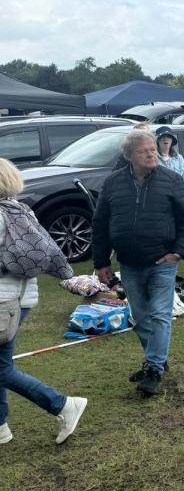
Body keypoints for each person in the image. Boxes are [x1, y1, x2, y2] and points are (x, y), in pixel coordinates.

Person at [93, 130, 184, 396]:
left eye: (152, 149)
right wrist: (101, 261)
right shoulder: (113, 183)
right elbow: (100, 223)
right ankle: (156, 357)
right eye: (143, 151)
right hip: (129, 262)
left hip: (163, 260)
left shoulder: (171, 179)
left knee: (160, 314)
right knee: (139, 318)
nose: (151, 154)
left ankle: (154, 370)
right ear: (129, 157)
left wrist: (178, 252)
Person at [0, 159, 87, 445]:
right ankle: (0, 426)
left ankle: (62, 404)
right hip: (19, 299)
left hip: (5, 300)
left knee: (1, 368)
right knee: (2, 363)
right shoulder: (20, 210)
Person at [155, 126, 184, 192]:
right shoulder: (152, 157)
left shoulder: (179, 158)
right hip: (159, 194)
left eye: (168, 137)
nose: (165, 139)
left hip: (177, 194)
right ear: (158, 140)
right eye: (163, 137)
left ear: (172, 141)